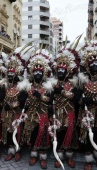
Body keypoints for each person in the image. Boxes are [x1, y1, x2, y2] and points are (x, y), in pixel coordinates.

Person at [51, 37, 81, 168]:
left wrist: (63, 92)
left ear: (68, 70)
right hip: (56, 112)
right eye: (59, 70)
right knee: (58, 133)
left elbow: (77, 97)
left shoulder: (74, 83)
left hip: (69, 112)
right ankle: (59, 156)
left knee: (70, 133)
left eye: (63, 70)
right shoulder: (52, 83)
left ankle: (69, 156)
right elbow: (48, 96)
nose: (61, 72)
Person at [24, 48, 54, 169]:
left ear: (43, 73)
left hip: (43, 114)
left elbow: (50, 100)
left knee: (43, 134)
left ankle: (42, 156)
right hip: (31, 114)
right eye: (35, 71)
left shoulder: (48, 86)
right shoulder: (28, 85)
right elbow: (26, 98)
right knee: (33, 134)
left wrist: (41, 96)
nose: (37, 73)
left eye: (39, 72)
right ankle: (33, 154)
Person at [1, 46, 31, 162]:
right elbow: (2, 97)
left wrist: (12, 105)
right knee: (7, 131)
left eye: (12, 73)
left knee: (17, 131)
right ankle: (10, 150)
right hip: (6, 113)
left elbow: (23, 100)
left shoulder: (22, 85)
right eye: (9, 72)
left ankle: (18, 150)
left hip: (17, 113)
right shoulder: (4, 84)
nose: (10, 75)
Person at [78, 41, 97, 170]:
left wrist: (93, 99)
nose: (94, 64)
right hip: (86, 113)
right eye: (91, 62)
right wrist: (82, 100)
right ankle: (88, 158)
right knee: (86, 134)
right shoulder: (82, 78)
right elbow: (77, 96)